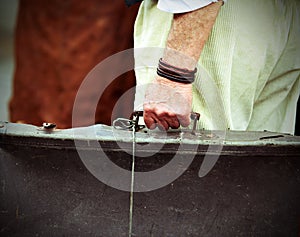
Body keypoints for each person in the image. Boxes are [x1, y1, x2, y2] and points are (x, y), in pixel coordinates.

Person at [133, 0, 300, 134]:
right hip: (286, 16)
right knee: (263, 158)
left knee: (181, 159)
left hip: (208, 14)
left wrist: (173, 75)